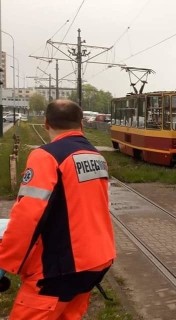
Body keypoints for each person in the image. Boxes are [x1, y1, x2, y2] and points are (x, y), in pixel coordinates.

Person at [0, 100, 115, 319]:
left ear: (46, 123)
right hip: (97, 260)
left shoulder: (45, 156)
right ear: (81, 124)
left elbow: (27, 216)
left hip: (59, 268)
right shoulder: (96, 157)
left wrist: (4, 260)